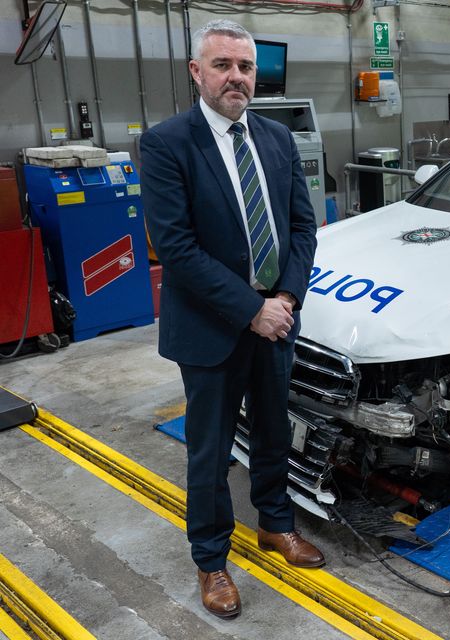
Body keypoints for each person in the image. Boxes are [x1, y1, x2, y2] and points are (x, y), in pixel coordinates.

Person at [140, 19, 321, 618]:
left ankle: (275, 524)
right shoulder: (167, 144)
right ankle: (211, 559)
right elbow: (176, 246)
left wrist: (286, 301)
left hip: (278, 320)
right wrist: (252, 310)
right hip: (214, 329)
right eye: (223, 66)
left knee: (275, 433)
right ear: (197, 72)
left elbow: (301, 227)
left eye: (245, 68)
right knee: (210, 451)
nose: (236, 77)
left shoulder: (275, 139)